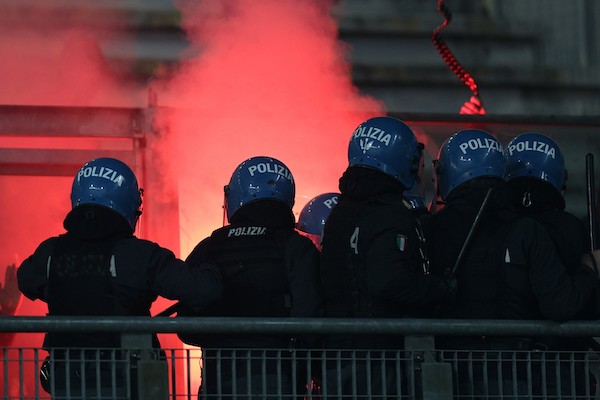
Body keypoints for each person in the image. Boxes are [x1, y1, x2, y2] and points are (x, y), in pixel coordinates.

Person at [17, 157, 223, 399]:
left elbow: (26, 281)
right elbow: (202, 290)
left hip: (68, 381)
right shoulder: (138, 255)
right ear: (129, 205)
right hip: (129, 381)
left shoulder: (50, 253)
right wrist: (214, 257)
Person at [423, 129, 599, 398]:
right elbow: (562, 303)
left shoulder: (432, 228)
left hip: (457, 370)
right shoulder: (527, 229)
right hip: (524, 372)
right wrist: (589, 268)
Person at [319, 116, 452, 398]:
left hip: (337, 353)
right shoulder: (389, 214)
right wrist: (440, 288)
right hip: (374, 358)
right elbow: (389, 282)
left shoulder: (340, 211)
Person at [177, 156, 323, 399]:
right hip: (280, 378)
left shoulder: (209, 247)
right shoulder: (297, 247)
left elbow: (187, 323)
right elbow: (311, 318)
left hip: (217, 378)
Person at [505, 131, 599, 396]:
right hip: (563, 370)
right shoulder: (571, 228)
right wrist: (589, 268)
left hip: (502, 368)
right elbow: (585, 306)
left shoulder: (497, 225)